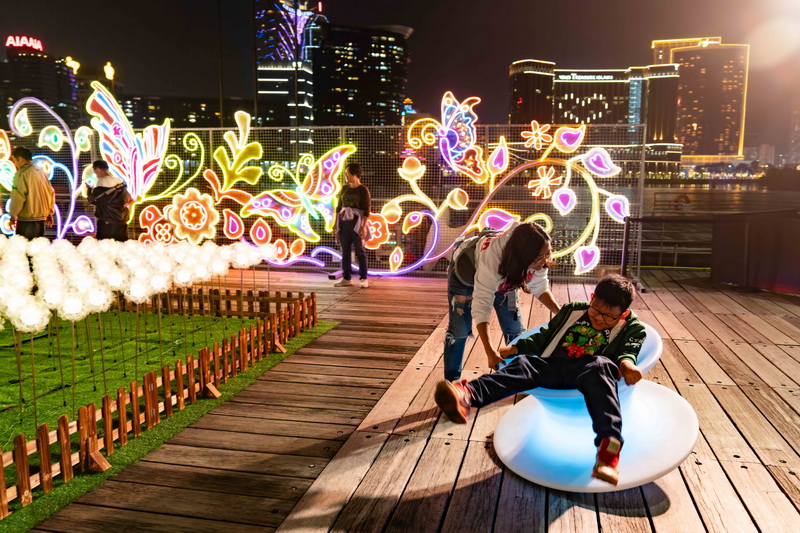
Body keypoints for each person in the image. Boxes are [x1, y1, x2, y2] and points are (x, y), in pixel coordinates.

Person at [434, 274, 646, 485]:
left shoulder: (632, 327)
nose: (599, 318)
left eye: (608, 317)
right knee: (524, 364)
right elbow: (545, 335)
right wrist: (518, 348)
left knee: (601, 365)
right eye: (595, 310)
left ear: (624, 314)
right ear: (591, 298)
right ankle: (467, 394)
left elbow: (629, 350)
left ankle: (608, 453)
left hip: (590, 374)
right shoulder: (572, 310)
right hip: (553, 367)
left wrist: (627, 364)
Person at [443, 221, 560, 382]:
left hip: (506, 279)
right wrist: (490, 351)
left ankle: (520, 377)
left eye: (548, 253)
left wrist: (561, 313)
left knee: (515, 328)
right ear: (523, 256)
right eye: (540, 257)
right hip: (467, 274)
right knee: (459, 330)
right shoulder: (493, 257)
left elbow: (540, 286)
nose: (546, 260)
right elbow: (482, 304)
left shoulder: (539, 253)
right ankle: (452, 382)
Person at [334, 162, 370, 288]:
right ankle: (346, 278)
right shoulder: (344, 188)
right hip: (344, 223)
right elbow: (339, 207)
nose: (346, 176)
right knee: (345, 251)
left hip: (357, 223)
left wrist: (363, 226)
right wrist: (336, 224)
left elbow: (366, 210)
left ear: (355, 174)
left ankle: (363, 278)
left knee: (360, 251)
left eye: (347, 173)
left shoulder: (363, 190)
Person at [8, 146, 55, 240]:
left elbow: (18, 197)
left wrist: (13, 216)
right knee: (38, 247)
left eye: (14, 160)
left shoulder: (22, 174)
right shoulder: (41, 173)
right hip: (42, 220)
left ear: (20, 159)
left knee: (25, 247)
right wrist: (50, 214)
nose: (15, 164)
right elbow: (51, 193)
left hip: (26, 221)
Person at [87, 160, 132, 241]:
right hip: (121, 220)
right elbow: (127, 198)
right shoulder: (120, 182)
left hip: (106, 220)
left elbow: (93, 200)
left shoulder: (101, 182)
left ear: (98, 170)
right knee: (122, 245)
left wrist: (89, 189)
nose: (96, 175)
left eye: (95, 173)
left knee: (103, 245)